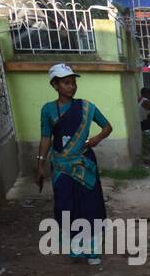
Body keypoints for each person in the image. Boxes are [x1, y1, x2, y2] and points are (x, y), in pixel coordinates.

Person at [35, 63, 112, 265]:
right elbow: (45, 138)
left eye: (73, 83)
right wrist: (40, 164)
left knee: (90, 205)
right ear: (55, 85)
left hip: (84, 163)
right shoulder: (48, 110)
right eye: (66, 83)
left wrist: (96, 139)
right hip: (61, 166)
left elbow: (107, 127)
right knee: (66, 205)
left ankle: (93, 250)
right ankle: (76, 248)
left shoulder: (87, 107)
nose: (71, 87)